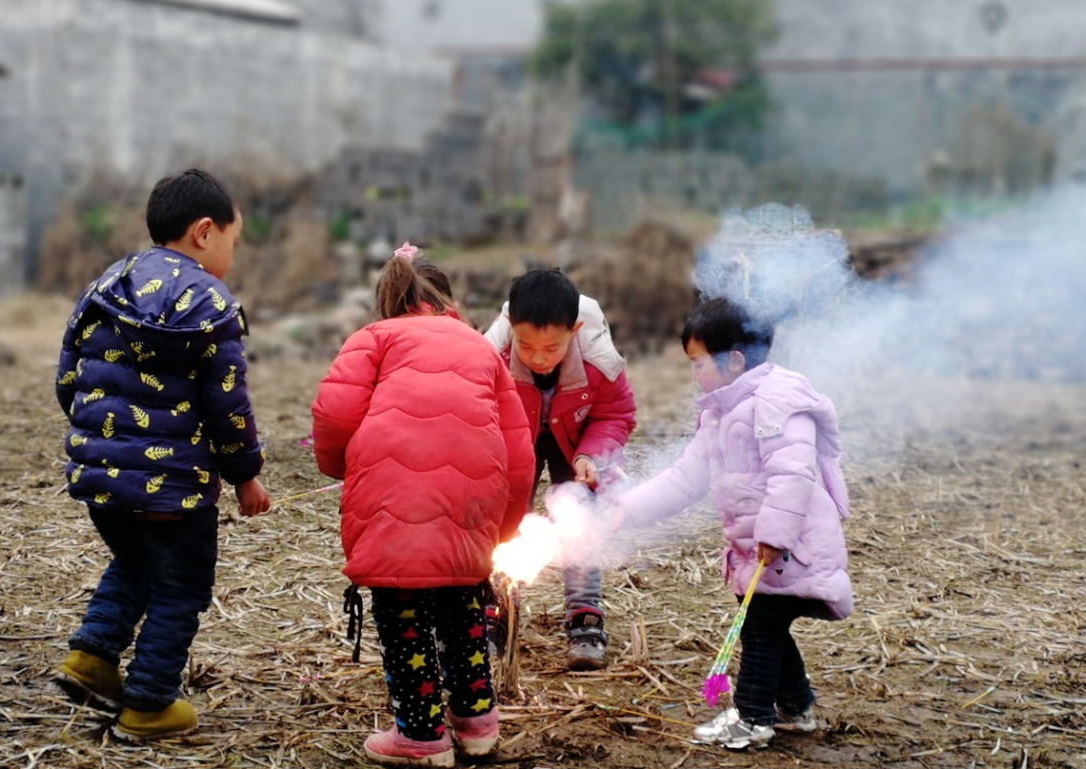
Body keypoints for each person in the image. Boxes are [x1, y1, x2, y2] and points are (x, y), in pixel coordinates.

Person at [52, 169, 271, 741]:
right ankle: (149, 703)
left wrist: (101, 445)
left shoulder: (107, 283)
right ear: (204, 232)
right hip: (172, 490)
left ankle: (91, 660)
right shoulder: (210, 303)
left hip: (102, 481)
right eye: (233, 240)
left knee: (134, 563)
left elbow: (67, 376)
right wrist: (246, 475)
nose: (232, 253)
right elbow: (227, 406)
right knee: (180, 588)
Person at [311, 247, 535, 767]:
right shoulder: (480, 348)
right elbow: (518, 448)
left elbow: (334, 414)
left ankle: (420, 735)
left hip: (393, 496)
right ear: (446, 302)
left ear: (388, 299)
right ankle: (477, 724)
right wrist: (501, 529)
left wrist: (336, 467)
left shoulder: (374, 338)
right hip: (471, 499)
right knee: (463, 604)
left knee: (403, 607)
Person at [614, 297, 852, 750]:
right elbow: (685, 477)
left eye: (699, 362)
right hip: (761, 552)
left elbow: (793, 473)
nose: (694, 373)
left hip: (786, 548)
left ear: (734, 359)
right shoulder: (721, 413)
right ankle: (797, 708)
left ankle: (752, 718)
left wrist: (774, 536)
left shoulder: (776, 403)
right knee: (770, 627)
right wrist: (631, 508)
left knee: (760, 628)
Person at [484, 268, 636, 670]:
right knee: (503, 522)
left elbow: (615, 414)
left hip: (578, 441)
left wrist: (592, 457)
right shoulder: (491, 357)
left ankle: (585, 618)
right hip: (518, 439)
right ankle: (494, 614)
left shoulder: (600, 362)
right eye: (526, 345)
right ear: (511, 329)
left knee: (580, 521)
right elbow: (480, 413)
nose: (537, 357)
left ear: (575, 330)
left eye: (551, 348)